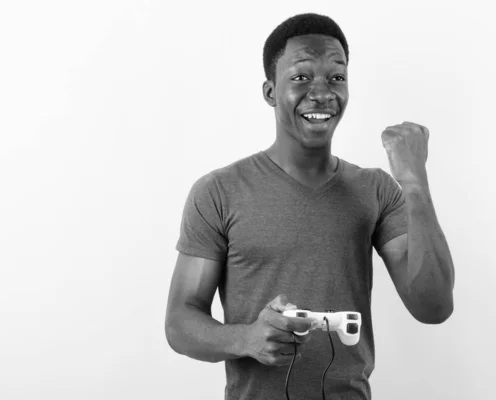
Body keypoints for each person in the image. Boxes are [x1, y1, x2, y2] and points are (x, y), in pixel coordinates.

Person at [164, 12, 455, 400]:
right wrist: (246, 339)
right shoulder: (219, 191)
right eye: (301, 77)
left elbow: (433, 306)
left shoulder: (377, 189)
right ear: (270, 91)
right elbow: (180, 323)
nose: (321, 92)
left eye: (336, 77)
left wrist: (414, 182)